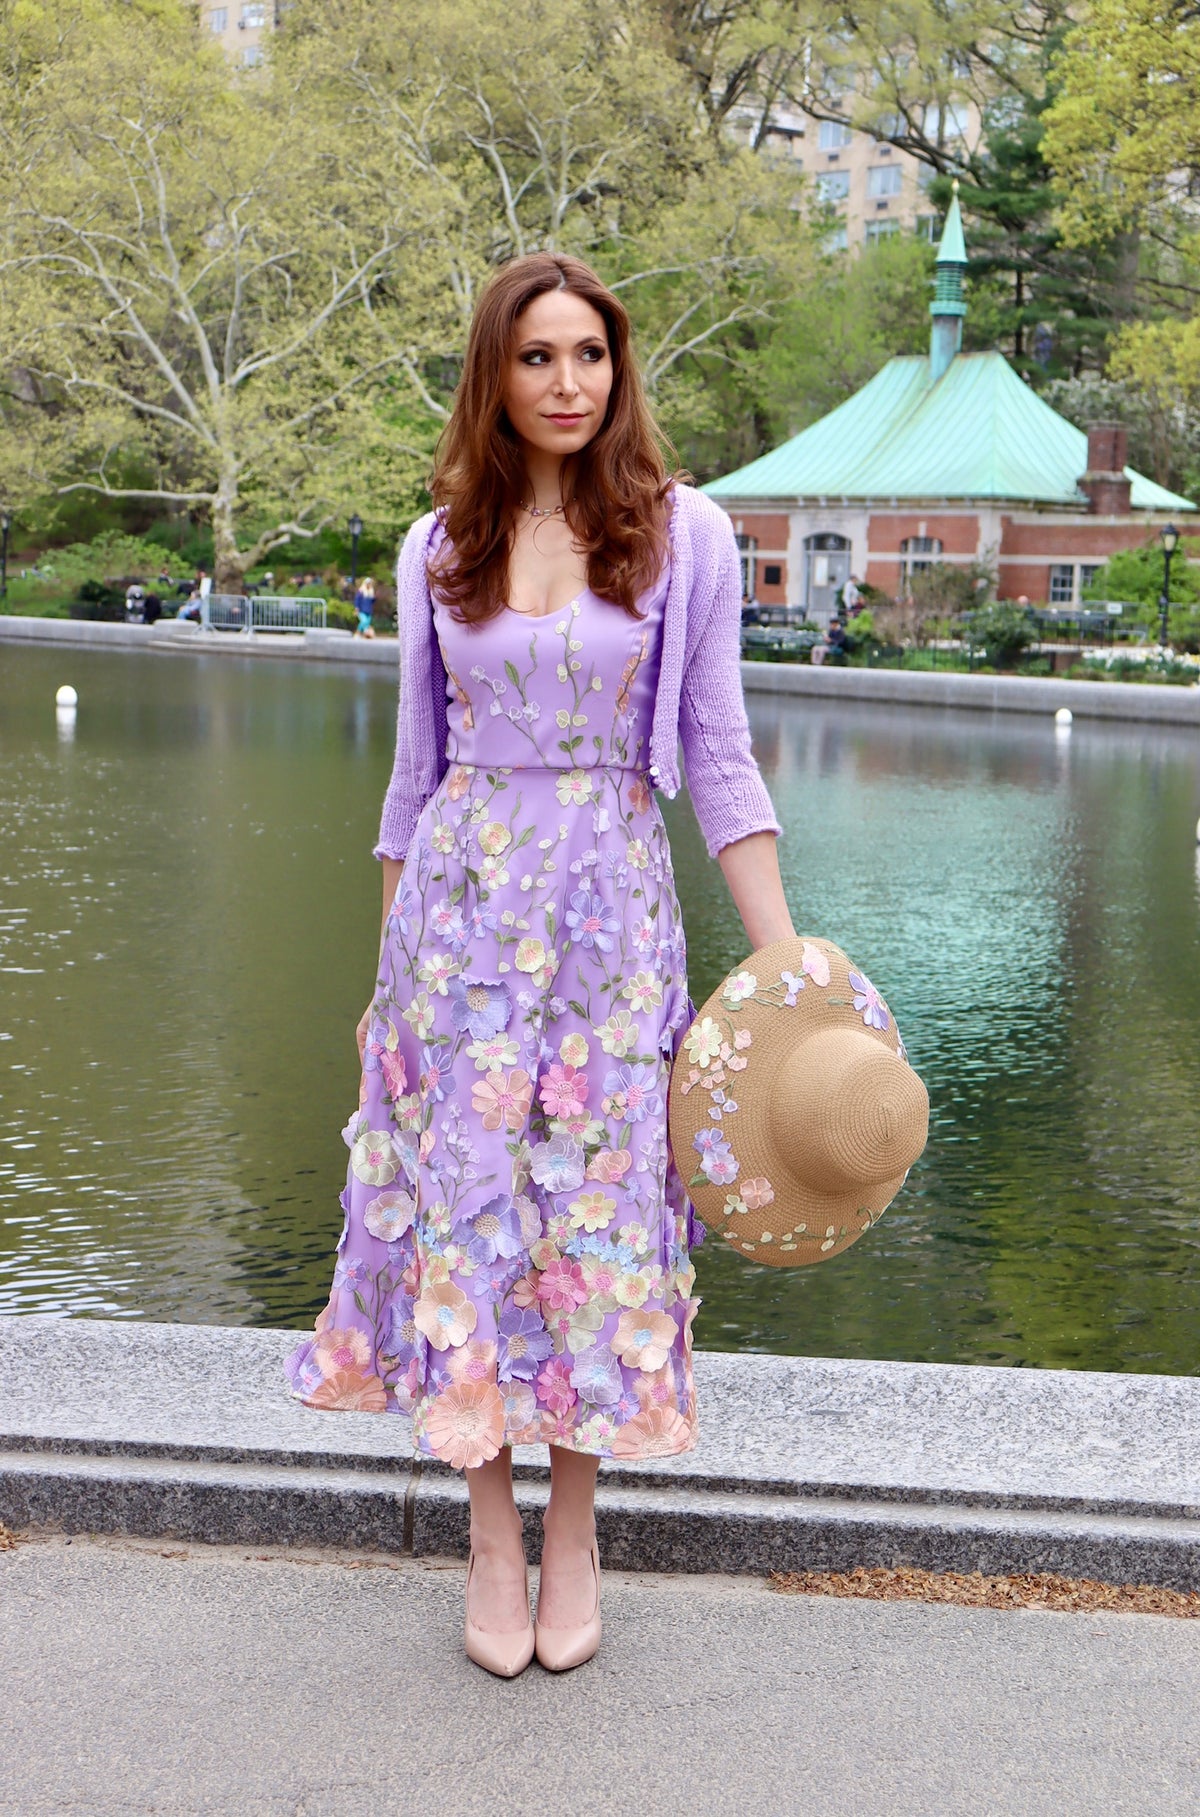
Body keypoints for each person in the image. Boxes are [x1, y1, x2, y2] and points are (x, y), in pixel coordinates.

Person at [283, 252, 793, 1677]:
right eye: (539, 358)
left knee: (599, 1221)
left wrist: (789, 968)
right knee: (470, 1218)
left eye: (590, 356)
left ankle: (576, 1523)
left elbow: (717, 753)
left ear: (619, 371)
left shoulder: (686, 534)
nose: (570, 383)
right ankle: (490, 1527)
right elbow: (412, 773)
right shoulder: (440, 540)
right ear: (493, 376)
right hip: (459, 930)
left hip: (614, 931)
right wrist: (388, 985)